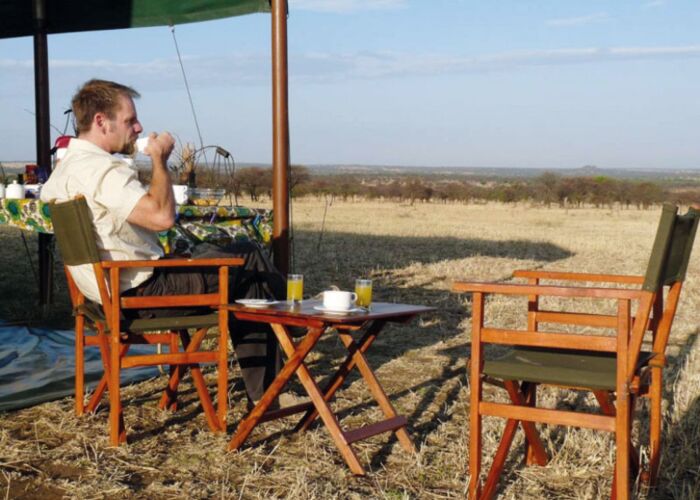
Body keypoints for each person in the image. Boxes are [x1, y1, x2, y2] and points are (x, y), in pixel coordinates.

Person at [41, 79, 285, 404]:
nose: (139, 127)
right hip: (140, 295)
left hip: (101, 295)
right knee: (249, 260)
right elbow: (161, 217)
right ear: (101, 121)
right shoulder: (101, 170)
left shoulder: (66, 167)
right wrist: (159, 160)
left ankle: (281, 358)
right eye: (130, 120)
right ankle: (295, 338)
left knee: (221, 253)